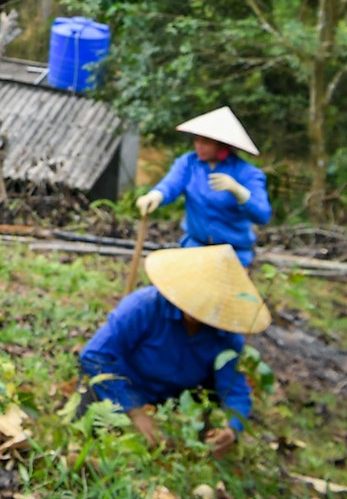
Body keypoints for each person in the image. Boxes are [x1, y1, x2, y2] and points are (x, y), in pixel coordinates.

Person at [80, 244, 268, 456]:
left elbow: (234, 390)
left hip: (176, 400)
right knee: (91, 415)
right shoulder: (144, 306)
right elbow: (95, 355)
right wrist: (135, 412)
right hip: (127, 387)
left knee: (196, 443)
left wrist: (232, 428)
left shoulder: (225, 336)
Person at [136, 106, 272, 266]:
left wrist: (239, 192)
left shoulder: (247, 173)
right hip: (195, 248)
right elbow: (171, 184)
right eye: (197, 140)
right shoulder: (189, 163)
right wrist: (155, 196)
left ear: (222, 145)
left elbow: (262, 215)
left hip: (232, 254)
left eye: (206, 142)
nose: (199, 146)